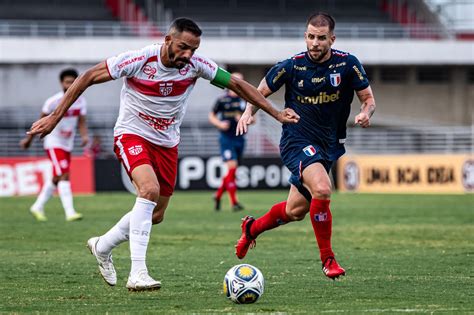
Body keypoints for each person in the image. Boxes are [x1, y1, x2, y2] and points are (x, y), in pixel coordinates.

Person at [27, 18, 299, 291]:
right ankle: (138, 273)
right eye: (183, 47)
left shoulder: (197, 65)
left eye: (193, 49)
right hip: (132, 134)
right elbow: (87, 77)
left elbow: (240, 87)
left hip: (167, 143)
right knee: (148, 190)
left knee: (155, 214)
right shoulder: (139, 60)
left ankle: (102, 245)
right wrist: (54, 117)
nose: (188, 55)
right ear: (168, 40)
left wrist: (275, 113)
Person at [234, 12, 376, 280]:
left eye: (321, 38)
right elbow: (259, 90)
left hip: (329, 145)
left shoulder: (348, 64)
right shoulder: (292, 66)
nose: (315, 43)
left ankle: (251, 229)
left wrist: (366, 113)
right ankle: (328, 260)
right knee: (322, 189)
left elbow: (368, 99)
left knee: (294, 211)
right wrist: (247, 113)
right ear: (305, 36)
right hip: (296, 139)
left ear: (331, 39)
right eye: (310, 37)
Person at [20, 68, 88, 222]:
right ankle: (70, 213)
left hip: (67, 143)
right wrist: (28, 141)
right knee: (64, 174)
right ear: (61, 83)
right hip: (53, 142)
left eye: (72, 82)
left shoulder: (81, 102)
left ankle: (37, 206)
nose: (69, 84)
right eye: (67, 82)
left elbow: (82, 121)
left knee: (57, 176)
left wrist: (84, 136)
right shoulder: (52, 102)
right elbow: (39, 123)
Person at [208, 72, 248, 212]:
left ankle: (218, 195)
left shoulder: (245, 100)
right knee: (232, 167)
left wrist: (245, 119)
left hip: (240, 138)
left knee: (233, 170)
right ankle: (234, 202)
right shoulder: (222, 100)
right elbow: (211, 116)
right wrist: (219, 124)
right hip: (226, 138)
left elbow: (253, 119)